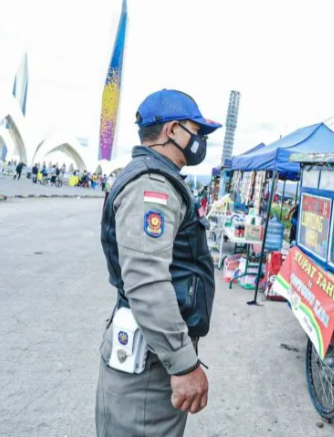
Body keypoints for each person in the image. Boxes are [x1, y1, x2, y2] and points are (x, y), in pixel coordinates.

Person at [97, 89, 221, 437]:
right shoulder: (152, 185)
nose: (199, 141)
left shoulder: (157, 179)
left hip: (153, 351)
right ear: (171, 130)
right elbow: (147, 282)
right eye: (195, 131)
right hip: (152, 360)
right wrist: (184, 366)